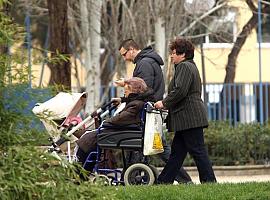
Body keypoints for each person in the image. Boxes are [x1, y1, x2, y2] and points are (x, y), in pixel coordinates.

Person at [117, 39, 192, 183]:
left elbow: (143, 90)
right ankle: (132, 179)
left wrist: (126, 83)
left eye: (124, 54)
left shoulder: (144, 64)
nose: (124, 58)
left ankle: (132, 179)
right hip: (150, 112)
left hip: (147, 114)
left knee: (157, 149)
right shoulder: (147, 62)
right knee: (158, 149)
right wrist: (124, 99)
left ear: (132, 49)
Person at [154, 38, 216, 184]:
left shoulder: (184, 66)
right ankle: (163, 182)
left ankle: (210, 182)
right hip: (187, 118)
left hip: (189, 117)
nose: (171, 56)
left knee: (198, 151)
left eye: (174, 53)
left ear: (183, 55)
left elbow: (180, 90)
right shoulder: (189, 66)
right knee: (177, 153)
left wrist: (164, 103)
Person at [76, 77, 155, 171]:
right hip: (124, 131)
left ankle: (81, 171)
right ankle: (84, 169)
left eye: (126, 91)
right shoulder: (138, 102)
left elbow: (121, 118)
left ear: (134, 91)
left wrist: (106, 122)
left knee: (88, 140)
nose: (124, 93)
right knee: (89, 137)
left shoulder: (136, 104)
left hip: (120, 132)